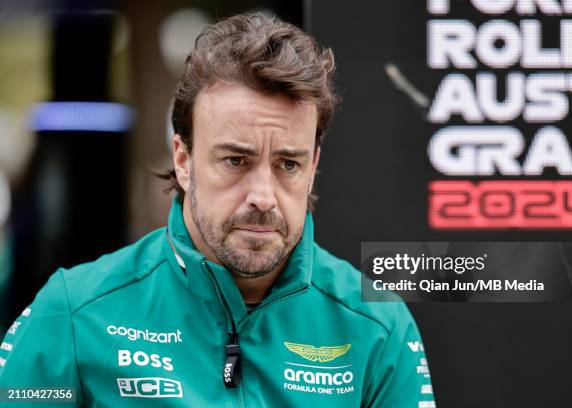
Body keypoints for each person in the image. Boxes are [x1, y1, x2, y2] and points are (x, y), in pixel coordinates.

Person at [0, 13, 435, 407]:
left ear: (313, 166)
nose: (263, 195)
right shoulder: (73, 313)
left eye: (288, 164)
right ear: (183, 161)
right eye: (235, 160)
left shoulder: (377, 325)